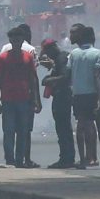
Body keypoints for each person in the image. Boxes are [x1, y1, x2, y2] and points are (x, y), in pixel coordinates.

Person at [68, 25, 100, 169]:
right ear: (92, 38)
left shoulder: (73, 54)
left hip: (78, 96)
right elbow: (96, 76)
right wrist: (99, 97)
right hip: (92, 94)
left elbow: (70, 75)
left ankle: (83, 160)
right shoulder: (97, 53)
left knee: (81, 127)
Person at [0, 25, 39, 168]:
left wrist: (35, 99)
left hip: (24, 99)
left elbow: (32, 79)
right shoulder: (2, 58)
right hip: (7, 100)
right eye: (13, 40)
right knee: (8, 131)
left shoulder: (28, 57)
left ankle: (19, 159)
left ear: (22, 40)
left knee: (22, 131)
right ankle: (10, 159)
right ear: (10, 41)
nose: (16, 43)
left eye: (18, 40)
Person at [39, 37, 75, 168]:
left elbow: (65, 77)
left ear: (52, 49)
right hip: (60, 96)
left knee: (63, 128)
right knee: (63, 128)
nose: (47, 55)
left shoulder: (62, 58)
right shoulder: (59, 59)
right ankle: (66, 157)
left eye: (47, 52)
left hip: (63, 96)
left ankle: (66, 158)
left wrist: (49, 80)